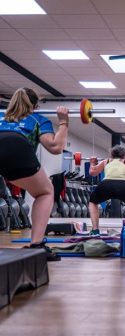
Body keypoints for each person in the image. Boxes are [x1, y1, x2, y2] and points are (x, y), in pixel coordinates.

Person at [0, 87, 68, 261]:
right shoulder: (37, 119)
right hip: (18, 148)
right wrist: (63, 122)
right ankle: (37, 244)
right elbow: (56, 147)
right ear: (35, 106)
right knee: (45, 192)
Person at [88, 145, 125, 237]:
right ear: (124, 155)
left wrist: (92, 163)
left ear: (111, 154)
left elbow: (92, 172)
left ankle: (95, 230)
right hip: (123, 186)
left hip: (106, 185)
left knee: (93, 201)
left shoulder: (105, 161)